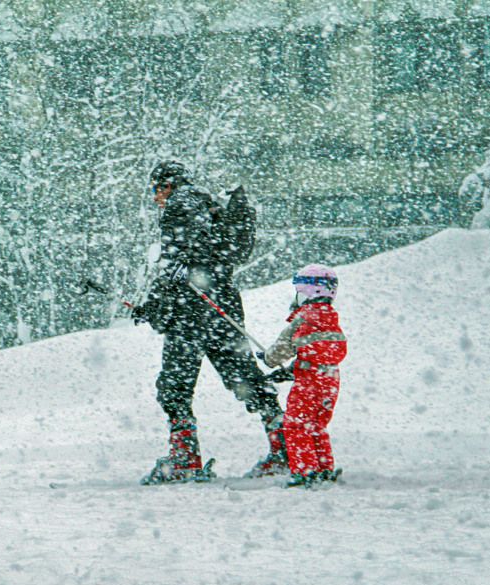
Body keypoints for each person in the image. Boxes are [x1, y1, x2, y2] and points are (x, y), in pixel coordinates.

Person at [131, 160, 287, 484]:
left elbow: (178, 269)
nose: (156, 199)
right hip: (222, 307)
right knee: (246, 379)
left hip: (191, 312)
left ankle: (184, 457)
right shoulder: (211, 205)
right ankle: (285, 447)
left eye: (155, 191)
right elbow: (220, 254)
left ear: (166, 185)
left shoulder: (179, 205)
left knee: (175, 387)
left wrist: (156, 307)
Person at [260, 264, 348, 487]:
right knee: (317, 425)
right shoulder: (331, 317)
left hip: (308, 382)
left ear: (308, 292)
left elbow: (281, 349)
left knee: (296, 425)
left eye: (299, 293)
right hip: (331, 379)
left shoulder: (303, 317)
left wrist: (268, 358)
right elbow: (319, 352)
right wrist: (292, 370)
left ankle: (305, 471)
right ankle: (324, 468)